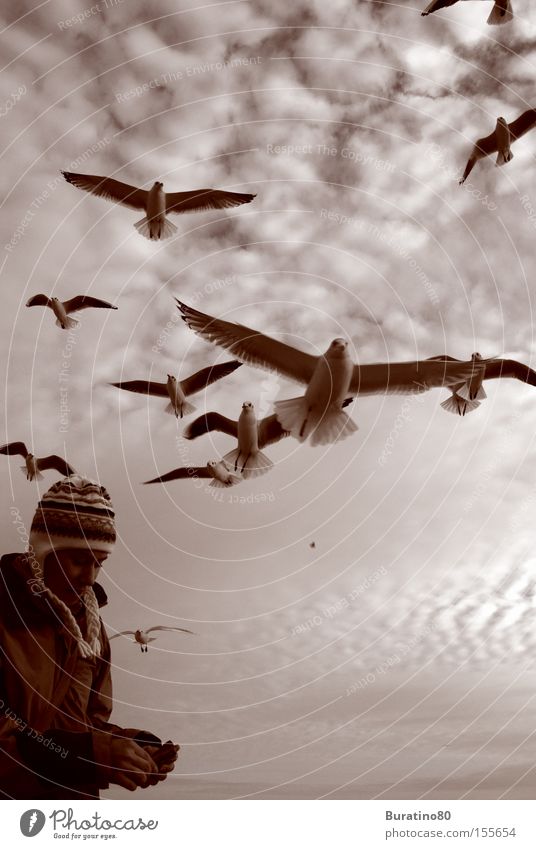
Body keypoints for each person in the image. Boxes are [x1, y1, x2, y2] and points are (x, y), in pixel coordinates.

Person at [0, 474, 179, 799]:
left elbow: (83, 726)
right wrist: (93, 756)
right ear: (43, 551)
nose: (90, 577)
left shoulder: (89, 629)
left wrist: (129, 747)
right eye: (80, 560)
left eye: (100, 563)